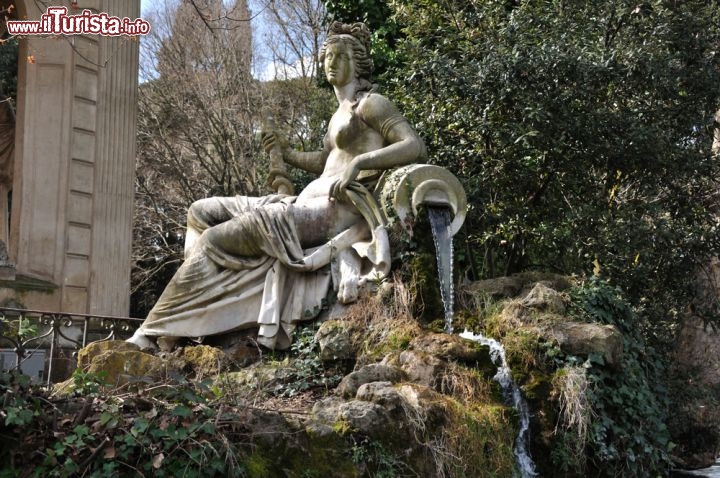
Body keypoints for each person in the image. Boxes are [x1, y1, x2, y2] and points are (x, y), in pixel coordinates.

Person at [127, 22, 426, 350]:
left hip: (331, 211)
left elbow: (414, 146)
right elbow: (325, 162)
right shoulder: (338, 114)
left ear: (358, 63)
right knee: (200, 213)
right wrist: (286, 153)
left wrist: (360, 164)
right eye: (327, 56)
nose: (330, 62)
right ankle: (194, 317)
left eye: (340, 56)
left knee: (214, 239)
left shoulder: (371, 104)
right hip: (301, 201)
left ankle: (155, 330)